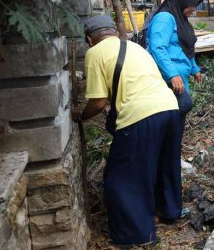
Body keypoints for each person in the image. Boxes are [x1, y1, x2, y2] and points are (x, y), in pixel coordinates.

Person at [73, 15, 181, 247]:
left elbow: (99, 102)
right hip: (170, 108)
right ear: (113, 32)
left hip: (140, 116)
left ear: (89, 39)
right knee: (163, 164)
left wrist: (79, 115)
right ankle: (168, 211)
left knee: (121, 176)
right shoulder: (135, 47)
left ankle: (136, 235)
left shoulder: (94, 53)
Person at [147, 0, 205, 122]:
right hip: (168, 77)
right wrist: (172, 74)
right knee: (183, 105)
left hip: (180, 76)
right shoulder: (164, 18)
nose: (193, 9)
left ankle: (172, 139)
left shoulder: (180, 18)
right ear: (181, 0)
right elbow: (158, 48)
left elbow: (186, 47)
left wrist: (194, 69)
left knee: (180, 112)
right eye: (191, 4)